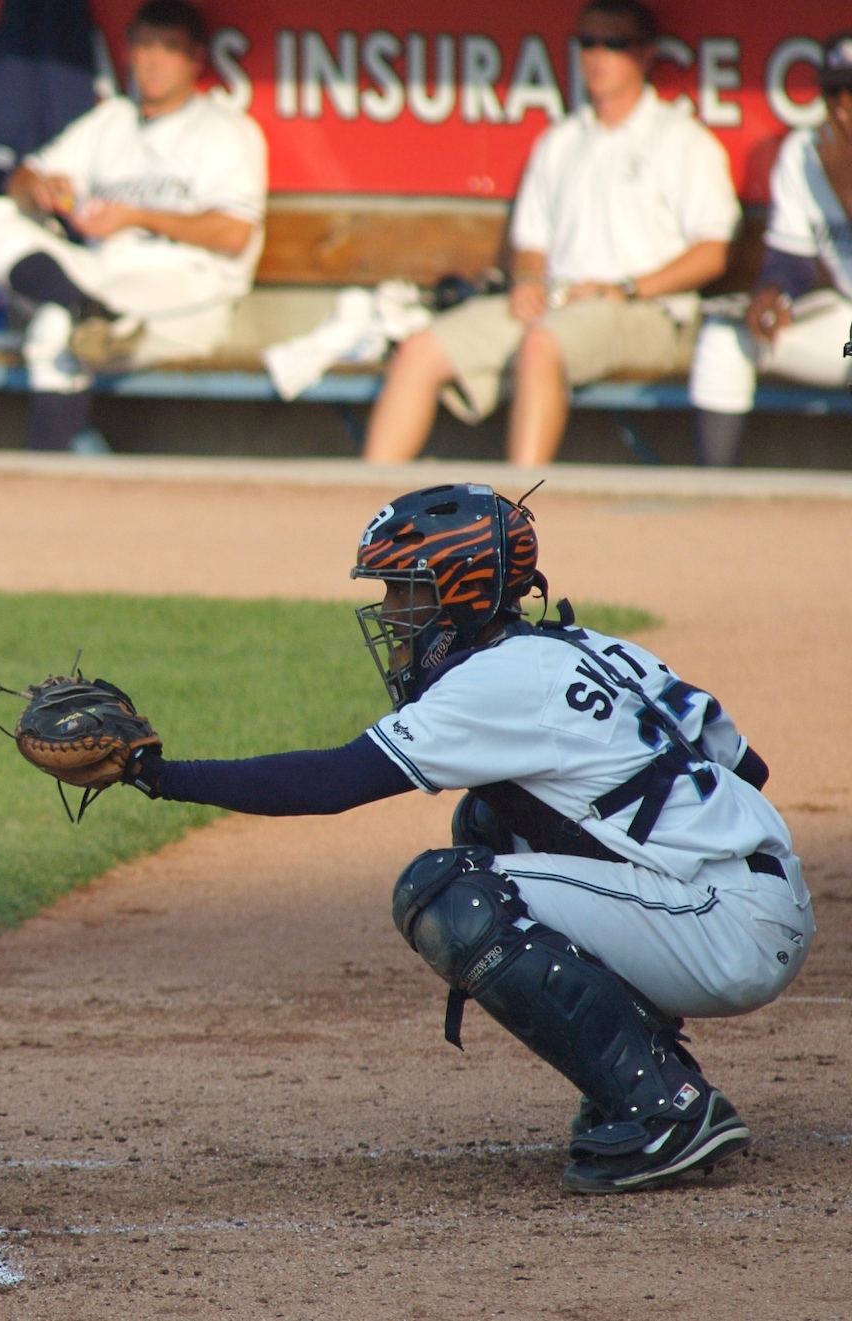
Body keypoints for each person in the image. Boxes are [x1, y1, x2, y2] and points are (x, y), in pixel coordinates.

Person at [98, 484, 808, 1193]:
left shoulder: (497, 680)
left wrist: (154, 772)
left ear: (458, 593)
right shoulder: (593, 648)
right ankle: (644, 1069)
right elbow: (747, 766)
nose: (388, 613)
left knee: (451, 895)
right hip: (747, 895)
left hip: (721, 926)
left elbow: (330, 784)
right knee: (487, 822)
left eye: (404, 592)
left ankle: (666, 1111)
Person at [364, 0, 737, 466]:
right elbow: (532, 245)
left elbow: (712, 254)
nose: (597, 56)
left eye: (614, 44)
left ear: (645, 55)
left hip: (645, 308)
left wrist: (625, 289)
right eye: (588, 43)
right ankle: (371, 512)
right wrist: (528, 282)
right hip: (560, 300)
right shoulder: (561, 140)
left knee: (541, 345)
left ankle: (520, 510)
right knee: (420, 349)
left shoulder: (682, 139)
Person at [0, 0, 265, 451]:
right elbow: (21, 178)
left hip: (187, 284)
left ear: (195, 60)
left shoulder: (223, 129)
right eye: (145, 46)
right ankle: (88, 309)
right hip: (104, 273)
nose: (153, 60)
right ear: (128, 51)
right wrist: (40, 188)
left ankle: (47, 489)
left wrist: (138, 215)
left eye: (169, 48)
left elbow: (233, 233)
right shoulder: (112, 121)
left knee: (54, 331)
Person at [687, 34, 852, 466]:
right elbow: (790, 258)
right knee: (725, 340)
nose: (842, 104)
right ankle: (714, 505)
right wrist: (773, 290)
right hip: (843, 322)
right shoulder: (806, 152)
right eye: (834, 90)